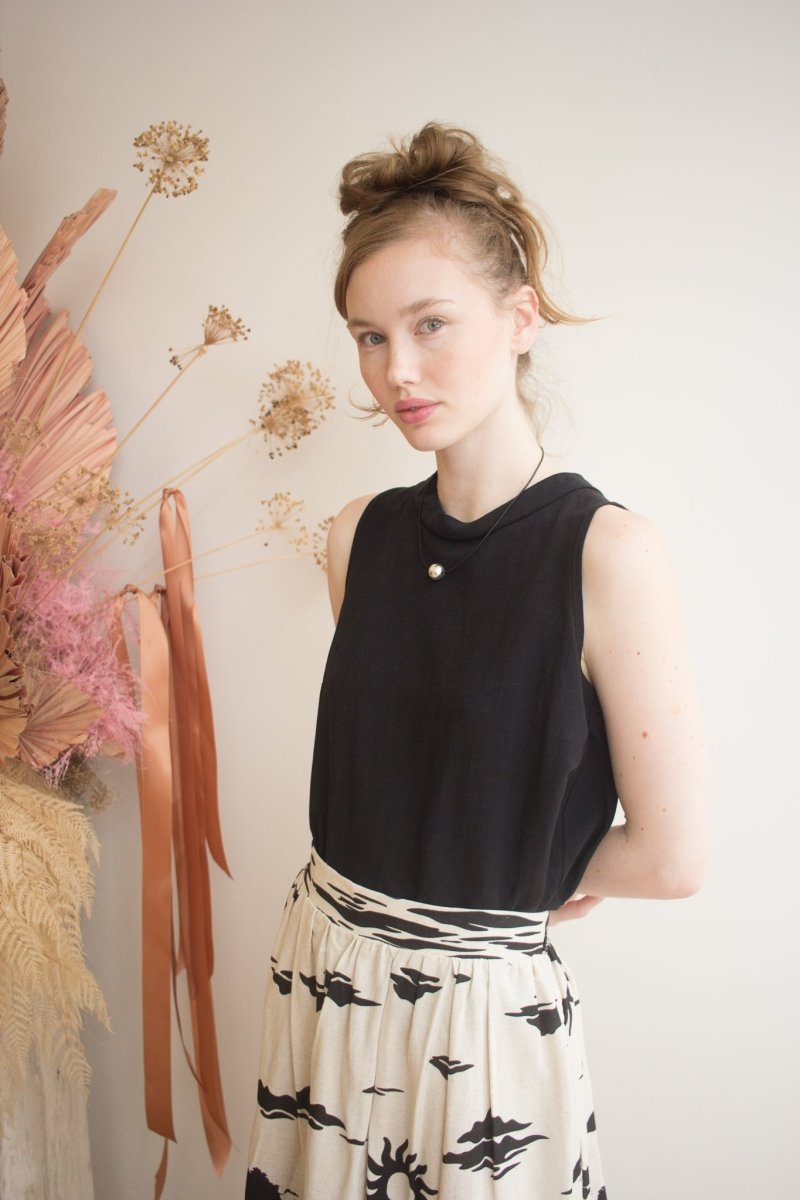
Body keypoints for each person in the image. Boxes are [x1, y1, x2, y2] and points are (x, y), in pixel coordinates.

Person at [245, 121, 706, 1200]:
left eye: (430, 324)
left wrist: (519, 871)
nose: (395, 371)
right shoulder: (357, 535)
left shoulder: (607, 553)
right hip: (321, 970)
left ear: (519, 318)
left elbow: (670, 857)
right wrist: (505, 852)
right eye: (368, 337)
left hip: (476, 1023)